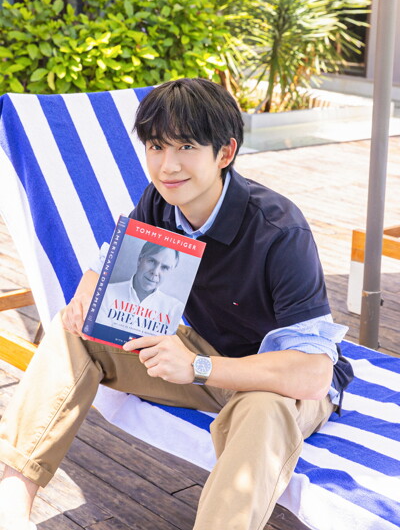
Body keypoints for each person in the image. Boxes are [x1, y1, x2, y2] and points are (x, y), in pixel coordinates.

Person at [0, 78, 353, 530]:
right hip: (205, 353)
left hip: (277, 376)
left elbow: (313, 374)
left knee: (263, 410)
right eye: (156, 146)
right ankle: (12, 506)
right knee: (73, 332)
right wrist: (86, 294)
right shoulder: (161, 201)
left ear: (224, 153)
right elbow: (107, 259)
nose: (168, 166)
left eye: (186, 146)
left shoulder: (280, 231)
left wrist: (197, 367)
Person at [97, 242, 183, 337]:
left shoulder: (175, 309)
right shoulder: (106, 293)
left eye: (165, 267)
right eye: (152, 261)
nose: (155, 272)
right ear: (139, 260)